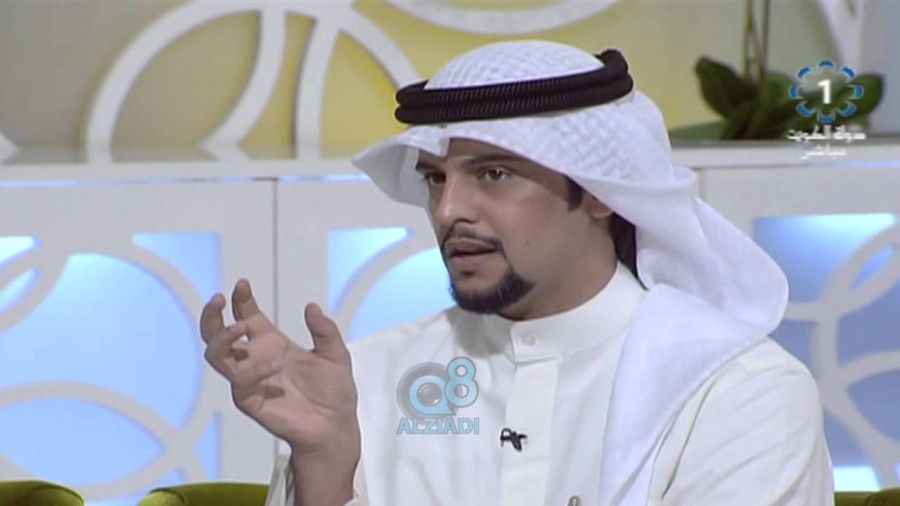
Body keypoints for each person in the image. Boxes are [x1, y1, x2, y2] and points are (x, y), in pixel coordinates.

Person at [199, 40, 834, 505]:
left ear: (601, 190)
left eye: (494, 174)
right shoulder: (363, 384)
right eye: (436, 179)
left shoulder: (735, 392)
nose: (449, 211)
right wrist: (325, 467)